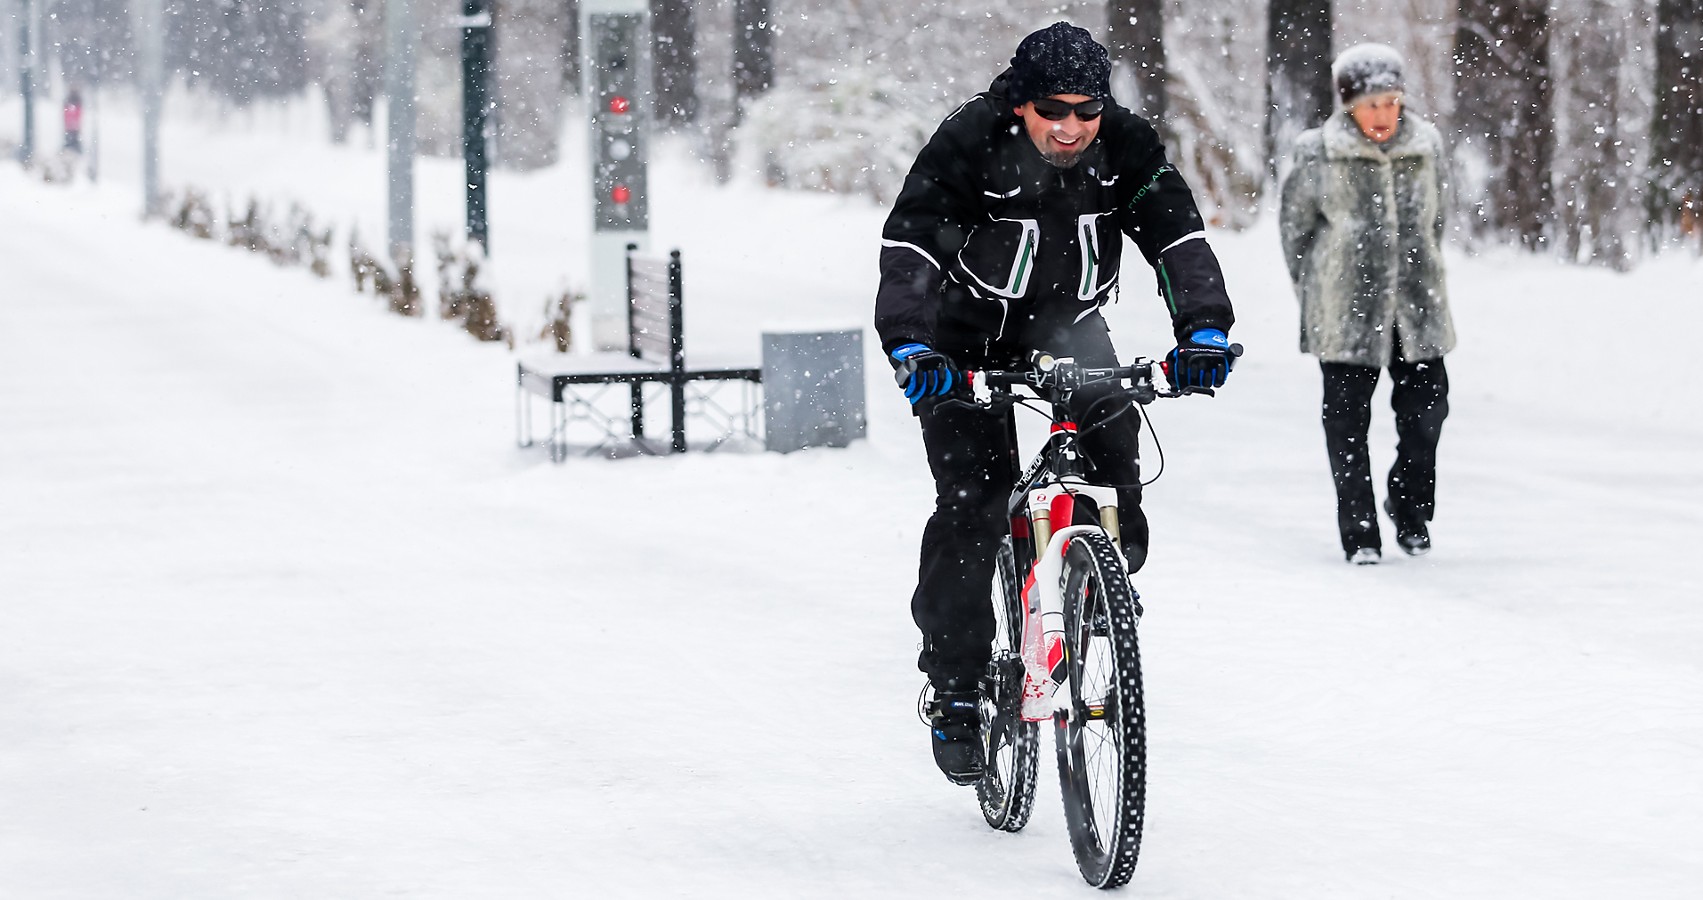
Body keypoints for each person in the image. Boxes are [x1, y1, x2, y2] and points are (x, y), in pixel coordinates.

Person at [874, 22, 1237, 784]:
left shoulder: (1125, 146)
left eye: (1085, 110)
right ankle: (957, 688)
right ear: (1020, 103)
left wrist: (1202, 331)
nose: (1070, 127)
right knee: (974, 507)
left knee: (1116, 446)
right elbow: (910, 247)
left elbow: (1176, 237)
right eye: (1052, 110)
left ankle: (1097, 579)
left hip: (1066, 327)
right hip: (960, 339)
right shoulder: (969, 141)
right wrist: (912, 346)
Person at [1279, 44, 1455, 565]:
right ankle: (1359, 533)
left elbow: (1437, 219)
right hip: (1345, 312)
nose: (1382, 114)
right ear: (1349, 104)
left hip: (1416, 308)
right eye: (1371, 103)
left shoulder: (1427, 146)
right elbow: (1296, 232)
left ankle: (1409, 506)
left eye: (1391, 101)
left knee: (1427, 415)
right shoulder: (1318, 151)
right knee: (1347, 424)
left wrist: (1419, 269)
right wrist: (1318, 295)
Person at [63, 89, 83, 154]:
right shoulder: (76, 102)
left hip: (71, 125)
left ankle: (71, 151)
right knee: (73, 139)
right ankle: (73, 150)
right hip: (73, 125)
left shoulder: (71, 102)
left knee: (71, 139)